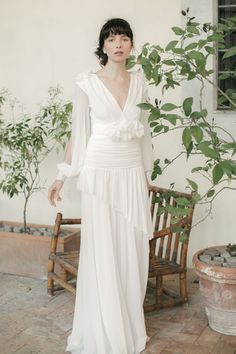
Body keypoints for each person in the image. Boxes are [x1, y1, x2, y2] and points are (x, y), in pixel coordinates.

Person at [48, 17, 154, 354]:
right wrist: (61, 175)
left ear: (131, 45)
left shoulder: (141, 83)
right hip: (100, 174)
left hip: (131, 173)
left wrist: (146, 175)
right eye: (111, 38)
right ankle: (105, 331)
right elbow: (78, 136)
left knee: (133, 250)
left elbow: (146, 135)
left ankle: (128, 325)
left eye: (124, 37)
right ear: (103, 46)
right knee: (104, 250)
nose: (118, 43)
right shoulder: (87, 84)